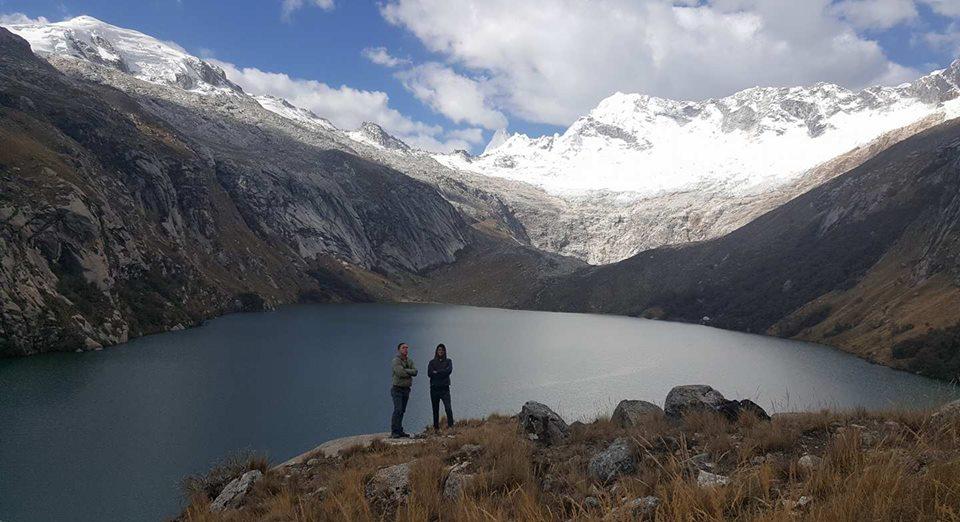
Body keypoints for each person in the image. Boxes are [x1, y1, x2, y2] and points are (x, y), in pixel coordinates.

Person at [390, 342, 417, 438]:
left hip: (406, 389)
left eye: (406, 348)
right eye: (403, 348)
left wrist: (406, 370)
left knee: (402, 410)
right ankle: (394, 431)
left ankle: (399, 430)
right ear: (399, 350)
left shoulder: (409, 361)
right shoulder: (396, 360)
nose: (406, 349)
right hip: (397, 389)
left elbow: (415, 371)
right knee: (398, 410)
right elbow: (400, 373)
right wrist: (408, 372)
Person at [427, 343, 454, 431]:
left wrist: (437, 372)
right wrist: (442, 373)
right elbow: (429, 373)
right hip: (434, 389)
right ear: (436, 351)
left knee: (448, 408)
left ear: (444, 351)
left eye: (442, 350)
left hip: (445, 389)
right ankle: (436, 428)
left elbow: (448, 371)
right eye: (439, 350)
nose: (441, 351)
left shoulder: (448, 361)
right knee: (435, 410)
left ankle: (451, 426)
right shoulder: (431, 362)